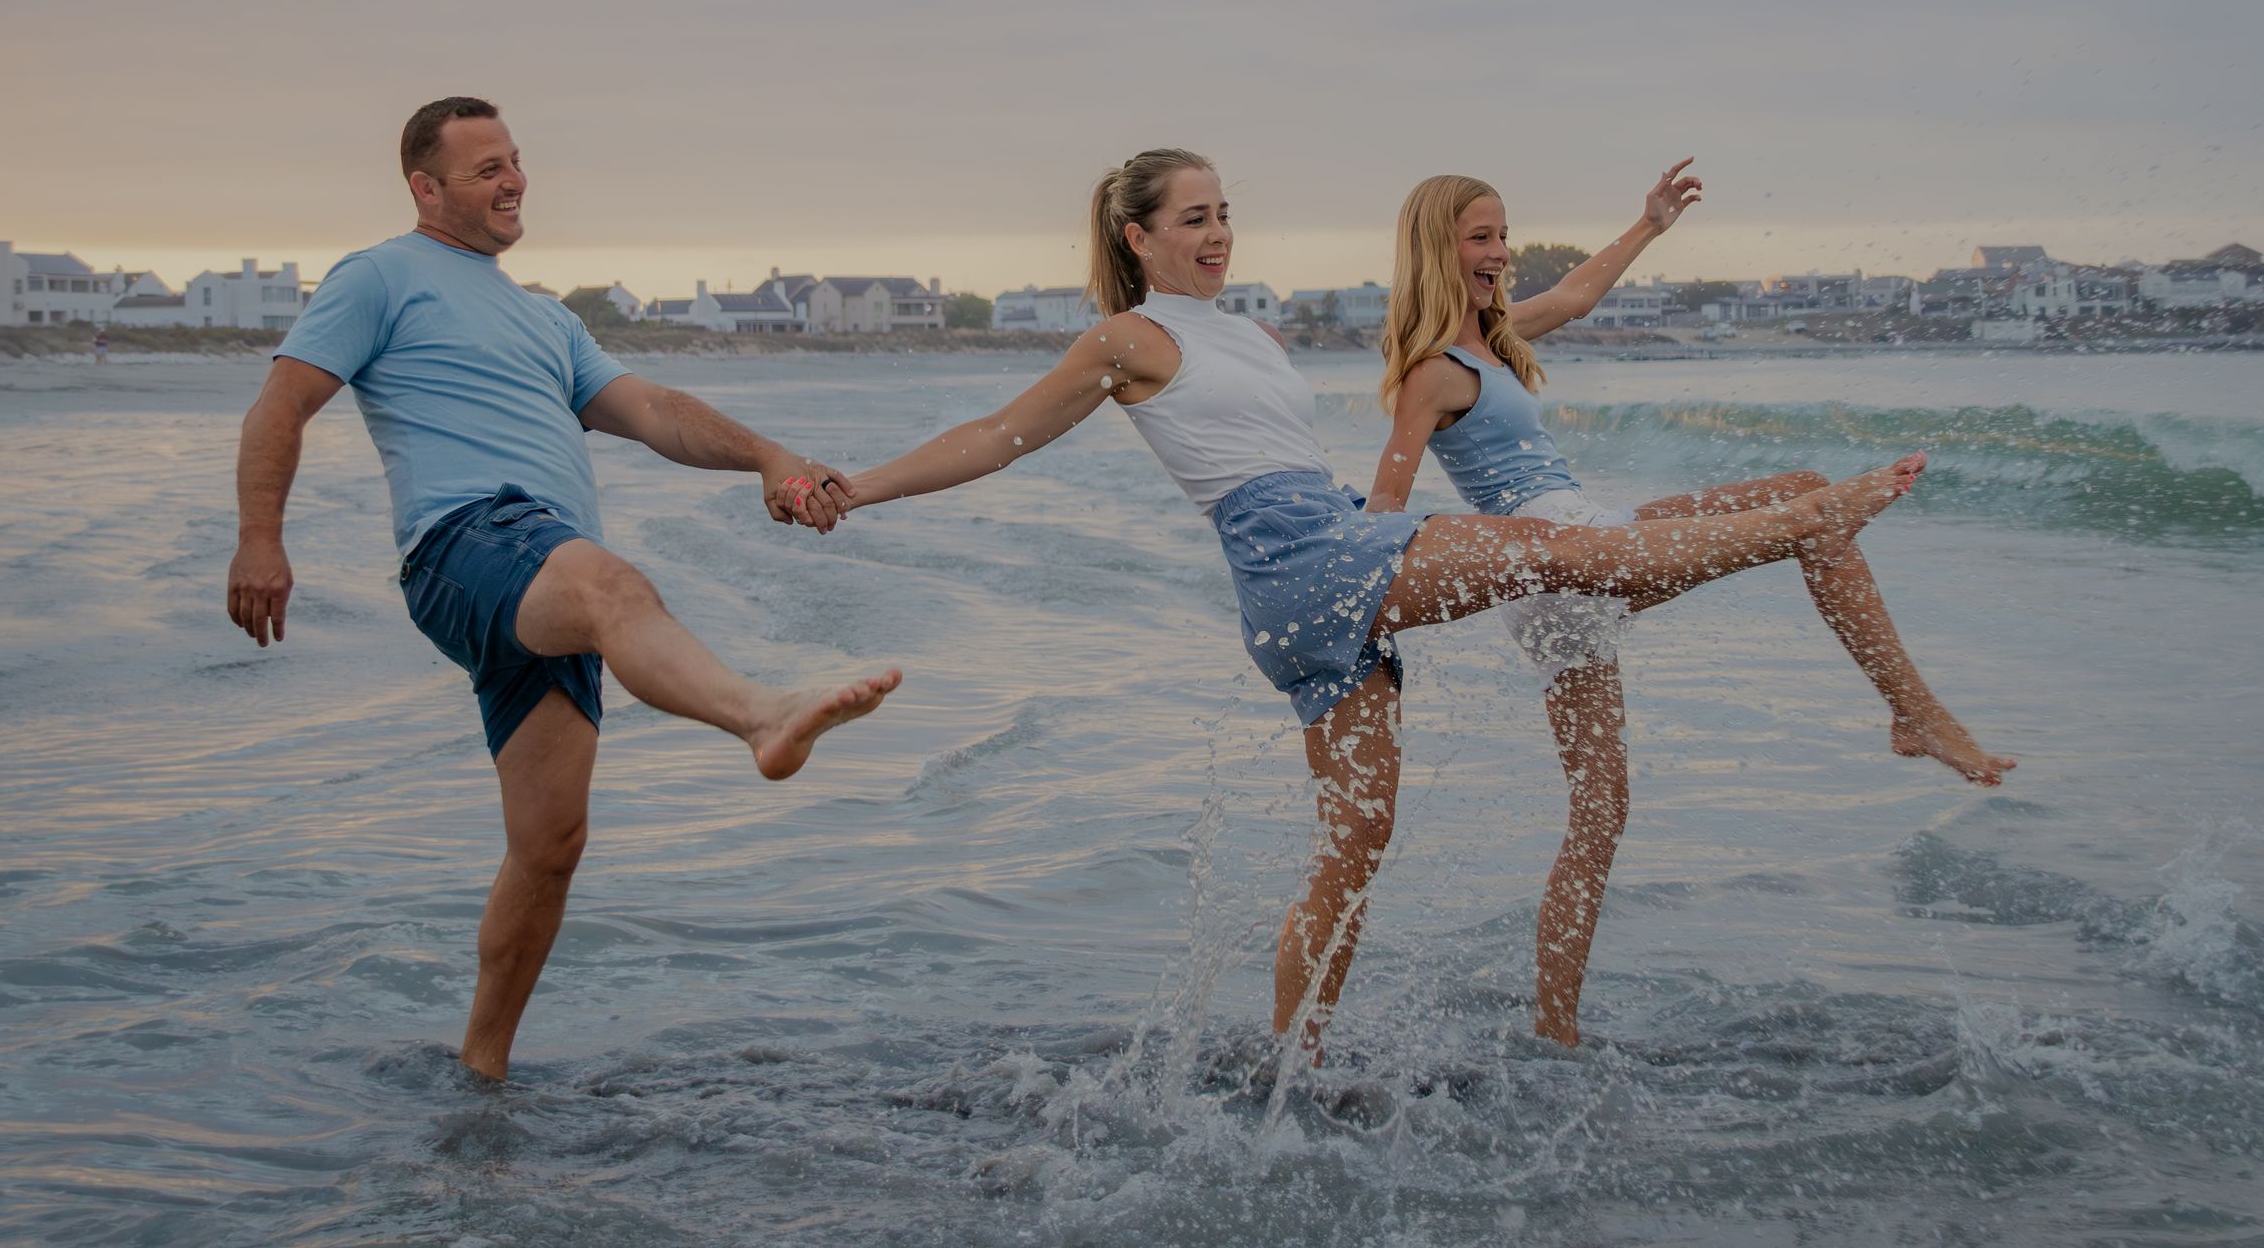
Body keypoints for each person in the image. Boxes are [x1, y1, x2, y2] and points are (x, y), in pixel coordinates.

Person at [813, 149, 1924, 1057]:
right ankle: (1806, 517)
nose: (1216, 233)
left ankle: (1295, 1070)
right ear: (1136, 237)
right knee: (1562, 552)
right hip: (1306, 557)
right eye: (1192, 217)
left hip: (1311, 579)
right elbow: (994, 437)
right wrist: (855, 486)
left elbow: (1386, 413)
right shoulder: (1125, 339)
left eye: (1225, 213)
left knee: (1355, 849)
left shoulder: (1247, 331)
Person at [223, 95, 899, 1080]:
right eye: (486, 168)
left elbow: (655, 410)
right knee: (608, 581)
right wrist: (258, 537)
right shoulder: (379, 276)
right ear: (425, 187)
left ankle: (481, 1073)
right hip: (466, 539)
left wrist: (764, 454)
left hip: (534, 576)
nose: (513, 181)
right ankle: (762, 712)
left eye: (516, 161)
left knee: (550, 842)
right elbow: (283, 397)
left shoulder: (544, 318)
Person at [1369, 167, 2014, 1043]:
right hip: (1558, 556)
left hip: (1579, 551)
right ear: (1436, 246)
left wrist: (1651, 225)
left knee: (1601, 810)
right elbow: (1384, 514)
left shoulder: (1492, 335)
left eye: (1503, 234)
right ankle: (1914, 706)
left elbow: (1578, 292)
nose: (1501, 253)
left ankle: (1555, 1026)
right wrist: (1378, 611)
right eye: (1481, 236)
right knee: (1809, 509)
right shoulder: (1431, 373)